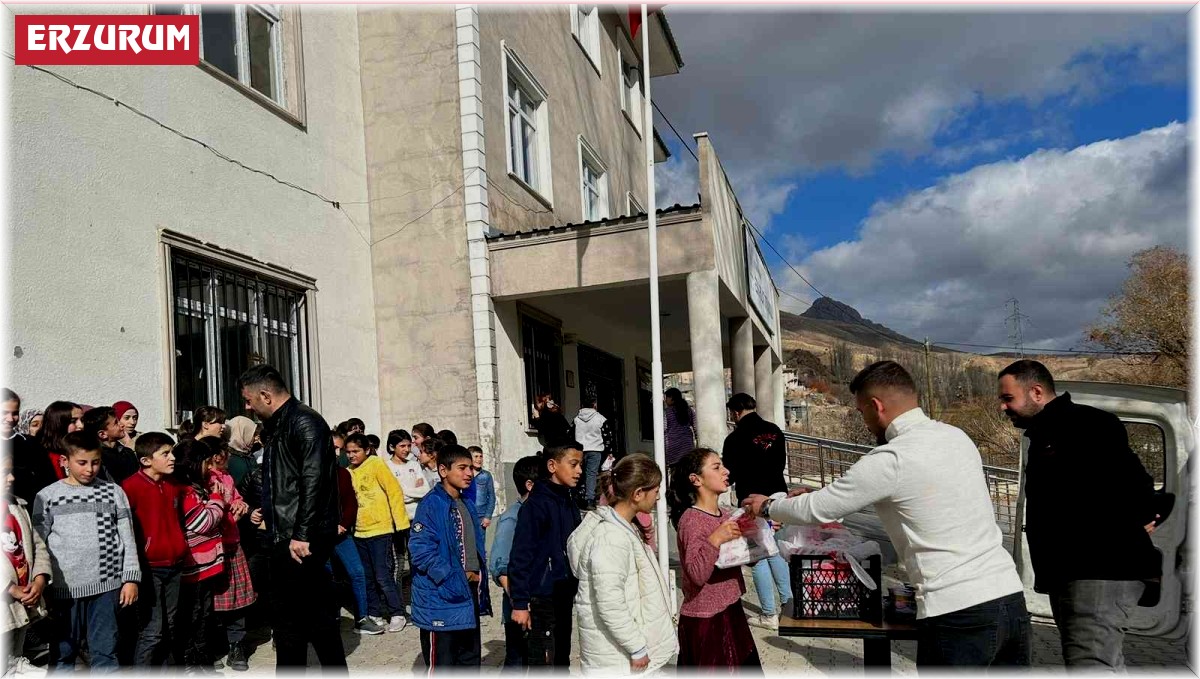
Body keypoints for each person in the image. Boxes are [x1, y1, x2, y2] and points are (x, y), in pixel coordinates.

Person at [743, 360, 1030, 667]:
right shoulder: (956, 437)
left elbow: (819, 509)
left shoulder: (892, 458)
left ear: (875, 406)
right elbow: (919, 496)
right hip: (1009, 598)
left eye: (860, 411)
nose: (864, 421)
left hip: (957, 611)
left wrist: (768, 506)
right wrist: (817, 496)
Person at [998, 359, 1157, 669]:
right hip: (1072, 573)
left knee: (1090, 663)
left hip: (1099, 570)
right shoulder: (1043, 433)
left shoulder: (1086, 424)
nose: (1003, 408)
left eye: (1008, 398)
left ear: (1037, 392)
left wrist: (1147, 515)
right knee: (1101, 661)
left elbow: (1135, 481)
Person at [237, 364, 346, 670]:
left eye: (249, 400)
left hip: (298, 539)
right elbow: (283, 483)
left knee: (298, 620)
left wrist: (302, 534)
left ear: (265, 395)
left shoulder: (305, 422)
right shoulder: (278, 424)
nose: (247, 407)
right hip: (284, 535)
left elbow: (315, 481)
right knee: (301, 618)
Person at [33, 431, 141, 673]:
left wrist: (131, 578)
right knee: (62, 654)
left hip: (107, 587)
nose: (90, 469)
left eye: (95, 462)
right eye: (82, 463)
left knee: (106, 651)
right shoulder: (47, 496)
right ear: (65, 461)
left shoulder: (113, 492)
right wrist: (42, 583)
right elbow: (38, 544)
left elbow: (128, 538)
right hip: (64, 590)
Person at [568, 454, 676, 675]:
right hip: (615, 659)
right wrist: (636, 647)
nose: (658, 497)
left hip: (619, 654)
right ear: (638, 494)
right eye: (655, 491)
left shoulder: (625, 528)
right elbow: (610, 602)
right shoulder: (611, 538)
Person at [667, 447, 759, 669]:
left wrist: (759, 534)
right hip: (705, 619)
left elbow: (750, 560)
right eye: (717, 467)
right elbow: (697, 575)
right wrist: (715, 540)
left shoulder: (727, 514)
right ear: (696, 479)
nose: (726, 471)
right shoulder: (691, 520)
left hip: (732, 609)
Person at [409, 444, 491, 670]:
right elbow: (420, 550)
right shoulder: (431, 504)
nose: (469, 474)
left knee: (469, 660)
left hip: (468, 593)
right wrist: (451, 577)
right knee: (443, 664)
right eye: (462, 468)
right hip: (441, 596)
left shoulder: (467, 504)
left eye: (471, 468)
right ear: (443, 471)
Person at [508, 443, 584, 668]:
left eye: (581, 464)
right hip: (541, 597)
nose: (579, 470)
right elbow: (520, 556)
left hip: (564, 591)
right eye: (573, 464)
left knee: (561, 658)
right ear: (552, 465)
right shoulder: (536, 505)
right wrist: (520, 603)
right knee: (543, 660)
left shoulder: (568, 501)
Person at [721, 392, 791, 632]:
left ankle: (769, 615)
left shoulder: (735, 438)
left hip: (752, 502)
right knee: (776, 552)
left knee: (758, 557)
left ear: (735, 412)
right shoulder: (774, 430)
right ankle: (789, 606)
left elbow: (729, 474)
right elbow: (781, 463)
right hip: (778, 498)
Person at [121, 432, 186, 669]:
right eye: (165, 454)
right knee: (152, 630)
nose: (172, 459)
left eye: (172, 453)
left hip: (175, 565)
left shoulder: (173, 485)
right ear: (146, 460)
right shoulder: (130, 487)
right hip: (150, 569)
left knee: (170, 626)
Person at [172, 438, 228, 673]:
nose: (209, 467)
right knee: (193, 616)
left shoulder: (198, 487)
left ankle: (203, 660)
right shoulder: (186, 492)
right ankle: (191, 664)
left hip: (205, 564)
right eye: (206, 462)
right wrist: (217, 500)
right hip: (193, 565)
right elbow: (203, 522)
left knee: (205, 614)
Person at [344, 433, 409, 633]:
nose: (351, 455)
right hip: (360, 531)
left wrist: (400, 523)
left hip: (380, 528)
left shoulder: (376, 464)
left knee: (383, 574)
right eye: (348, 452)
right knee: (367, 576)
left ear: (367, 450)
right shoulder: (348, 471)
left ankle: (397, 612)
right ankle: (374, 613)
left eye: (355, 451)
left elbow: (393, 491)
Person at [488, 456, 540, 670]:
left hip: (541, 607)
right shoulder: (512, 518)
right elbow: (501, 569)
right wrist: (521, 604)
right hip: (521, 611)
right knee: (517, 664)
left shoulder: (541, 513)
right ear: (530, 485)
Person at [2, 451, 51, 676]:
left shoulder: (18, 506)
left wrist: (39, 579)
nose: (11, 478)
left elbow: (37, 545)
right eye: (4, 473)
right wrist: (10, 588)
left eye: (10, 472)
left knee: (13, 660)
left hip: (21, 604)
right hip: (6, 601)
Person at [208, 444, 255, 671]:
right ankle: (214, 645)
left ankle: (236, 644)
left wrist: (240, 504)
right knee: (214, 601)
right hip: (213, 546)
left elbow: (236, 498)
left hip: (233, 543)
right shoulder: (206, 480)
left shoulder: (227, 477)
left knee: (236, 598)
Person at [328, 463, 379, 635]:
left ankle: (362, 618)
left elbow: (351, 502)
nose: (334, 452)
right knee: (327, 577)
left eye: (336, 447)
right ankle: (330, 618)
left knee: (357, 572)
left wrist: (343, 524)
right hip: (319, 535)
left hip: (341, 534)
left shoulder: (341, 473)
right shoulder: (308, 472)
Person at [384, 429, 426, 611]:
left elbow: (424, 491)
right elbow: (391, 493)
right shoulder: (386, 467)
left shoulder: (415, 465)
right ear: (392, 447)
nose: (407, 449)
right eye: (402, 446)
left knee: (417, 559)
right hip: (397, 520)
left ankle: (418, 600)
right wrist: (408, 492)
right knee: (399, 563)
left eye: (409, 445)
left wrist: (404, 492)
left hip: (415, 519)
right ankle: (399, 605)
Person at [4, 391, 56, 505]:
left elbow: (48, 480)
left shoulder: (31, 443)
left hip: (29, 508)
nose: (10, 418)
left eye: (14, 413)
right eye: (4, 413)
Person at [83, 406, 140, 484]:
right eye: (116, 423)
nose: (122, 425)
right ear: (102, 434)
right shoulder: (97, 458)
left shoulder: (127, 452)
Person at [573, 393, 607, 511]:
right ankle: (590, 500)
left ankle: (577, 497)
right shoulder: (600, 418)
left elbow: (571, 433)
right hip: (595, 449)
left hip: (580, 450)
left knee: (579, 474)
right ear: (595, 405)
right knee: (591, 474)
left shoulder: (576, 419)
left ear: (582, 405)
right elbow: (607, 436)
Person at [34, 401, 82, 485]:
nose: (81, 425)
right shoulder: (43, 456)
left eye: (82, 420)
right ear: (58, 424)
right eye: (73, 421)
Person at [664, 388, 697, 467]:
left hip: (673, 446)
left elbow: (664, 429)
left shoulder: (667, 412)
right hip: (687, 445)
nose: (665, 400)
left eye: (666, 397)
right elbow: (695, 426)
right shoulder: (688, 410)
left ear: (671, 398)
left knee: (675, 473)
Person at [468, 446, 496, 535]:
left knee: (480, 544)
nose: (479, 459)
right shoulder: (465, 474)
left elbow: (491, 497)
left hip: (480, 516)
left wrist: (488, 516)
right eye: (476, 456)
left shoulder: (486, 475)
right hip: (467, 514)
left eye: (481, 456)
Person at [224, 416, 258, 487]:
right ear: (243, 434)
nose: (255, 438)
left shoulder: (247, 454)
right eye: (253, 434)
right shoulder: (229, 459)